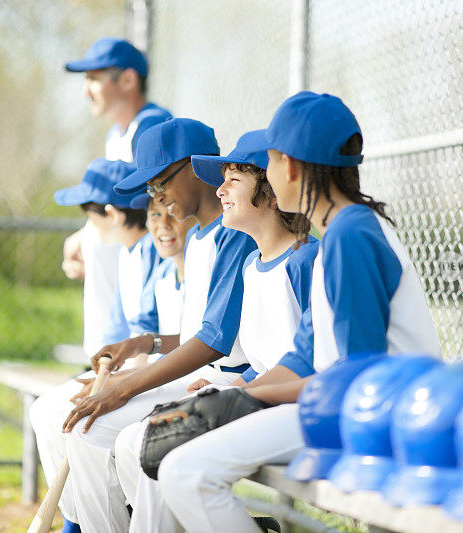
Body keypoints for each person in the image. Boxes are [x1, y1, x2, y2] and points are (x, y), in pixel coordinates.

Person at [154, 92, 443, 533]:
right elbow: (303, 358)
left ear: (288, 166)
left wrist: (251, 398)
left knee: (187, 473)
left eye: (267, 164)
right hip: (343, 407)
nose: (266, 175)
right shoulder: (336, 236)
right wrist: (233, 395)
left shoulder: (352, 235)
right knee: (183, 463)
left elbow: (358, 376)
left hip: (381, 417)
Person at [115, 130, 320, 533]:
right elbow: (265, 357)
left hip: (296, 407)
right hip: (263, 397)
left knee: (163, 449)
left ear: (273, 190)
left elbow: (311, 360)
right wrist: (235, 384)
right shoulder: (250, 266)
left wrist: (238, 390)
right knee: (144, 443)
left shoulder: (307, 259)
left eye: (234, 179)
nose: (220, 188)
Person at [60, 118, 257, 533]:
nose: (157, 197)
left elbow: (214, 341)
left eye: (160, 181)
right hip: (202, 376)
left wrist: (125, 386)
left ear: (195, 167)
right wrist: (143, 344)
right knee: (88, 431)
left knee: (104, 436)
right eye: (150, 189)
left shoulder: (234, 231)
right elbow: (196, 336)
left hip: (227, 381)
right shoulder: (201, 234)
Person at [31, 157, 158, 533]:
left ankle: (94, 523)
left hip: (157, 376)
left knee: (81, 428)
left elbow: (154, 337)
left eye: (91, 216)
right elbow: (120, 333)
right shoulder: (127, 255)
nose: (89, 227)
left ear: (112, 214)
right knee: (45, 413)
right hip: (126, 371)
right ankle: (77, 522)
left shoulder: (155, 249)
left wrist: (122, 377)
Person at [61, 37, 173, 358]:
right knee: (95, 239)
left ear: (127, 79)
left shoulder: (152, 126)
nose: (86, 91)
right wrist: (83, 233)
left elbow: (143, 216)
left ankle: (112, 355)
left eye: (94, 79)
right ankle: (103, 355)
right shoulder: (117, 134)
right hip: (128, 290)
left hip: (154, 285)